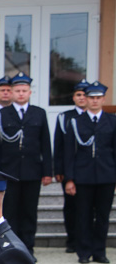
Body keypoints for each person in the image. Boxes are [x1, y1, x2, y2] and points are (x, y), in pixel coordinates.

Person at [0, 72, 52, 259]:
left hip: (32, 171)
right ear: (12, 93)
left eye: (24, 91)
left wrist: (48, 171)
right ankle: (10, 248)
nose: (21, 94)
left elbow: (45, 144)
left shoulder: (39, 113)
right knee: (10, 212)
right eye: (17, 90)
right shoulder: (1, 114)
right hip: (9, 172)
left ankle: (28, 249)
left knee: (29, 212)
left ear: (30, 92)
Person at [63, 81, 115, 264]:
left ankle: (99, 252)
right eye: (91, 98)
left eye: (98, 98)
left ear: (103, 99)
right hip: (82, 177)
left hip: (106, 176)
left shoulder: (112, 120)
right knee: (83, 216)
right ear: (86, 99)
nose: (94, 101)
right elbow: (69, 153)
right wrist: (69, 179)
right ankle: (83, 252)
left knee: (102, 216)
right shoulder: (76, 122)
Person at [53, 80, 89, 254]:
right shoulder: (64, 117)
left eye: (85, 95)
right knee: (71, 206)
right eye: (78, 95)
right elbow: (59, 145)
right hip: (69, 169)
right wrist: (58, 169)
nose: (82, 98)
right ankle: (72, 240)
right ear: (73, 97)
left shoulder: (95, 117)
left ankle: (86, 240)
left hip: (90, 170)